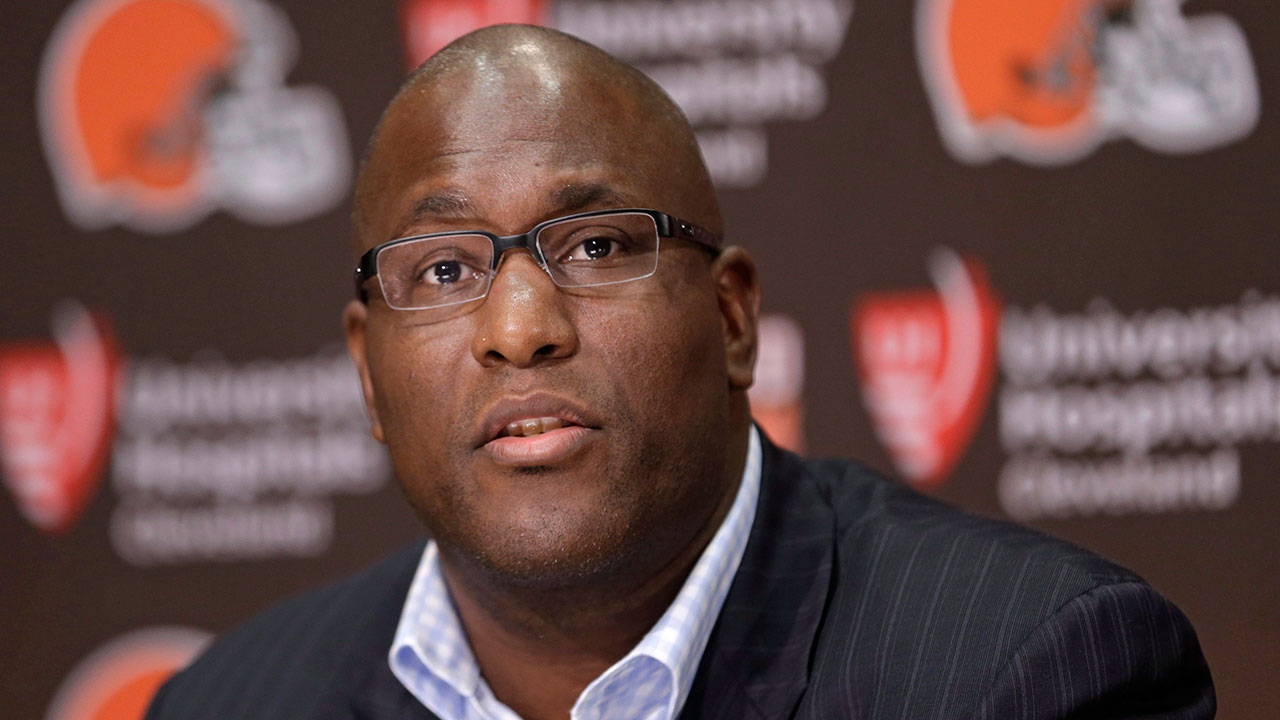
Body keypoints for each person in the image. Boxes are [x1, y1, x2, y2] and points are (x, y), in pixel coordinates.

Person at [144, 24, 1214, 720]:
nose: (519, 329)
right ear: (368, 376)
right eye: (443, 269)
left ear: (731, 317)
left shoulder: (1024, 672)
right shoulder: (229, 705)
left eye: (597, 245)